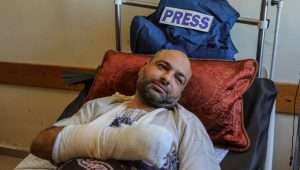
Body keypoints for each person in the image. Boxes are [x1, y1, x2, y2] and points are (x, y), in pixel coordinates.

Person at [30, 49, 220, 170]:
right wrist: (104, 141)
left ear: (180, 93)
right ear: (143, 69)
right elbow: (39, 145)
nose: (167, 78)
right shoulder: (99, 105)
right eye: (162, 67)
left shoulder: (187, 123)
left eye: (179, 79)